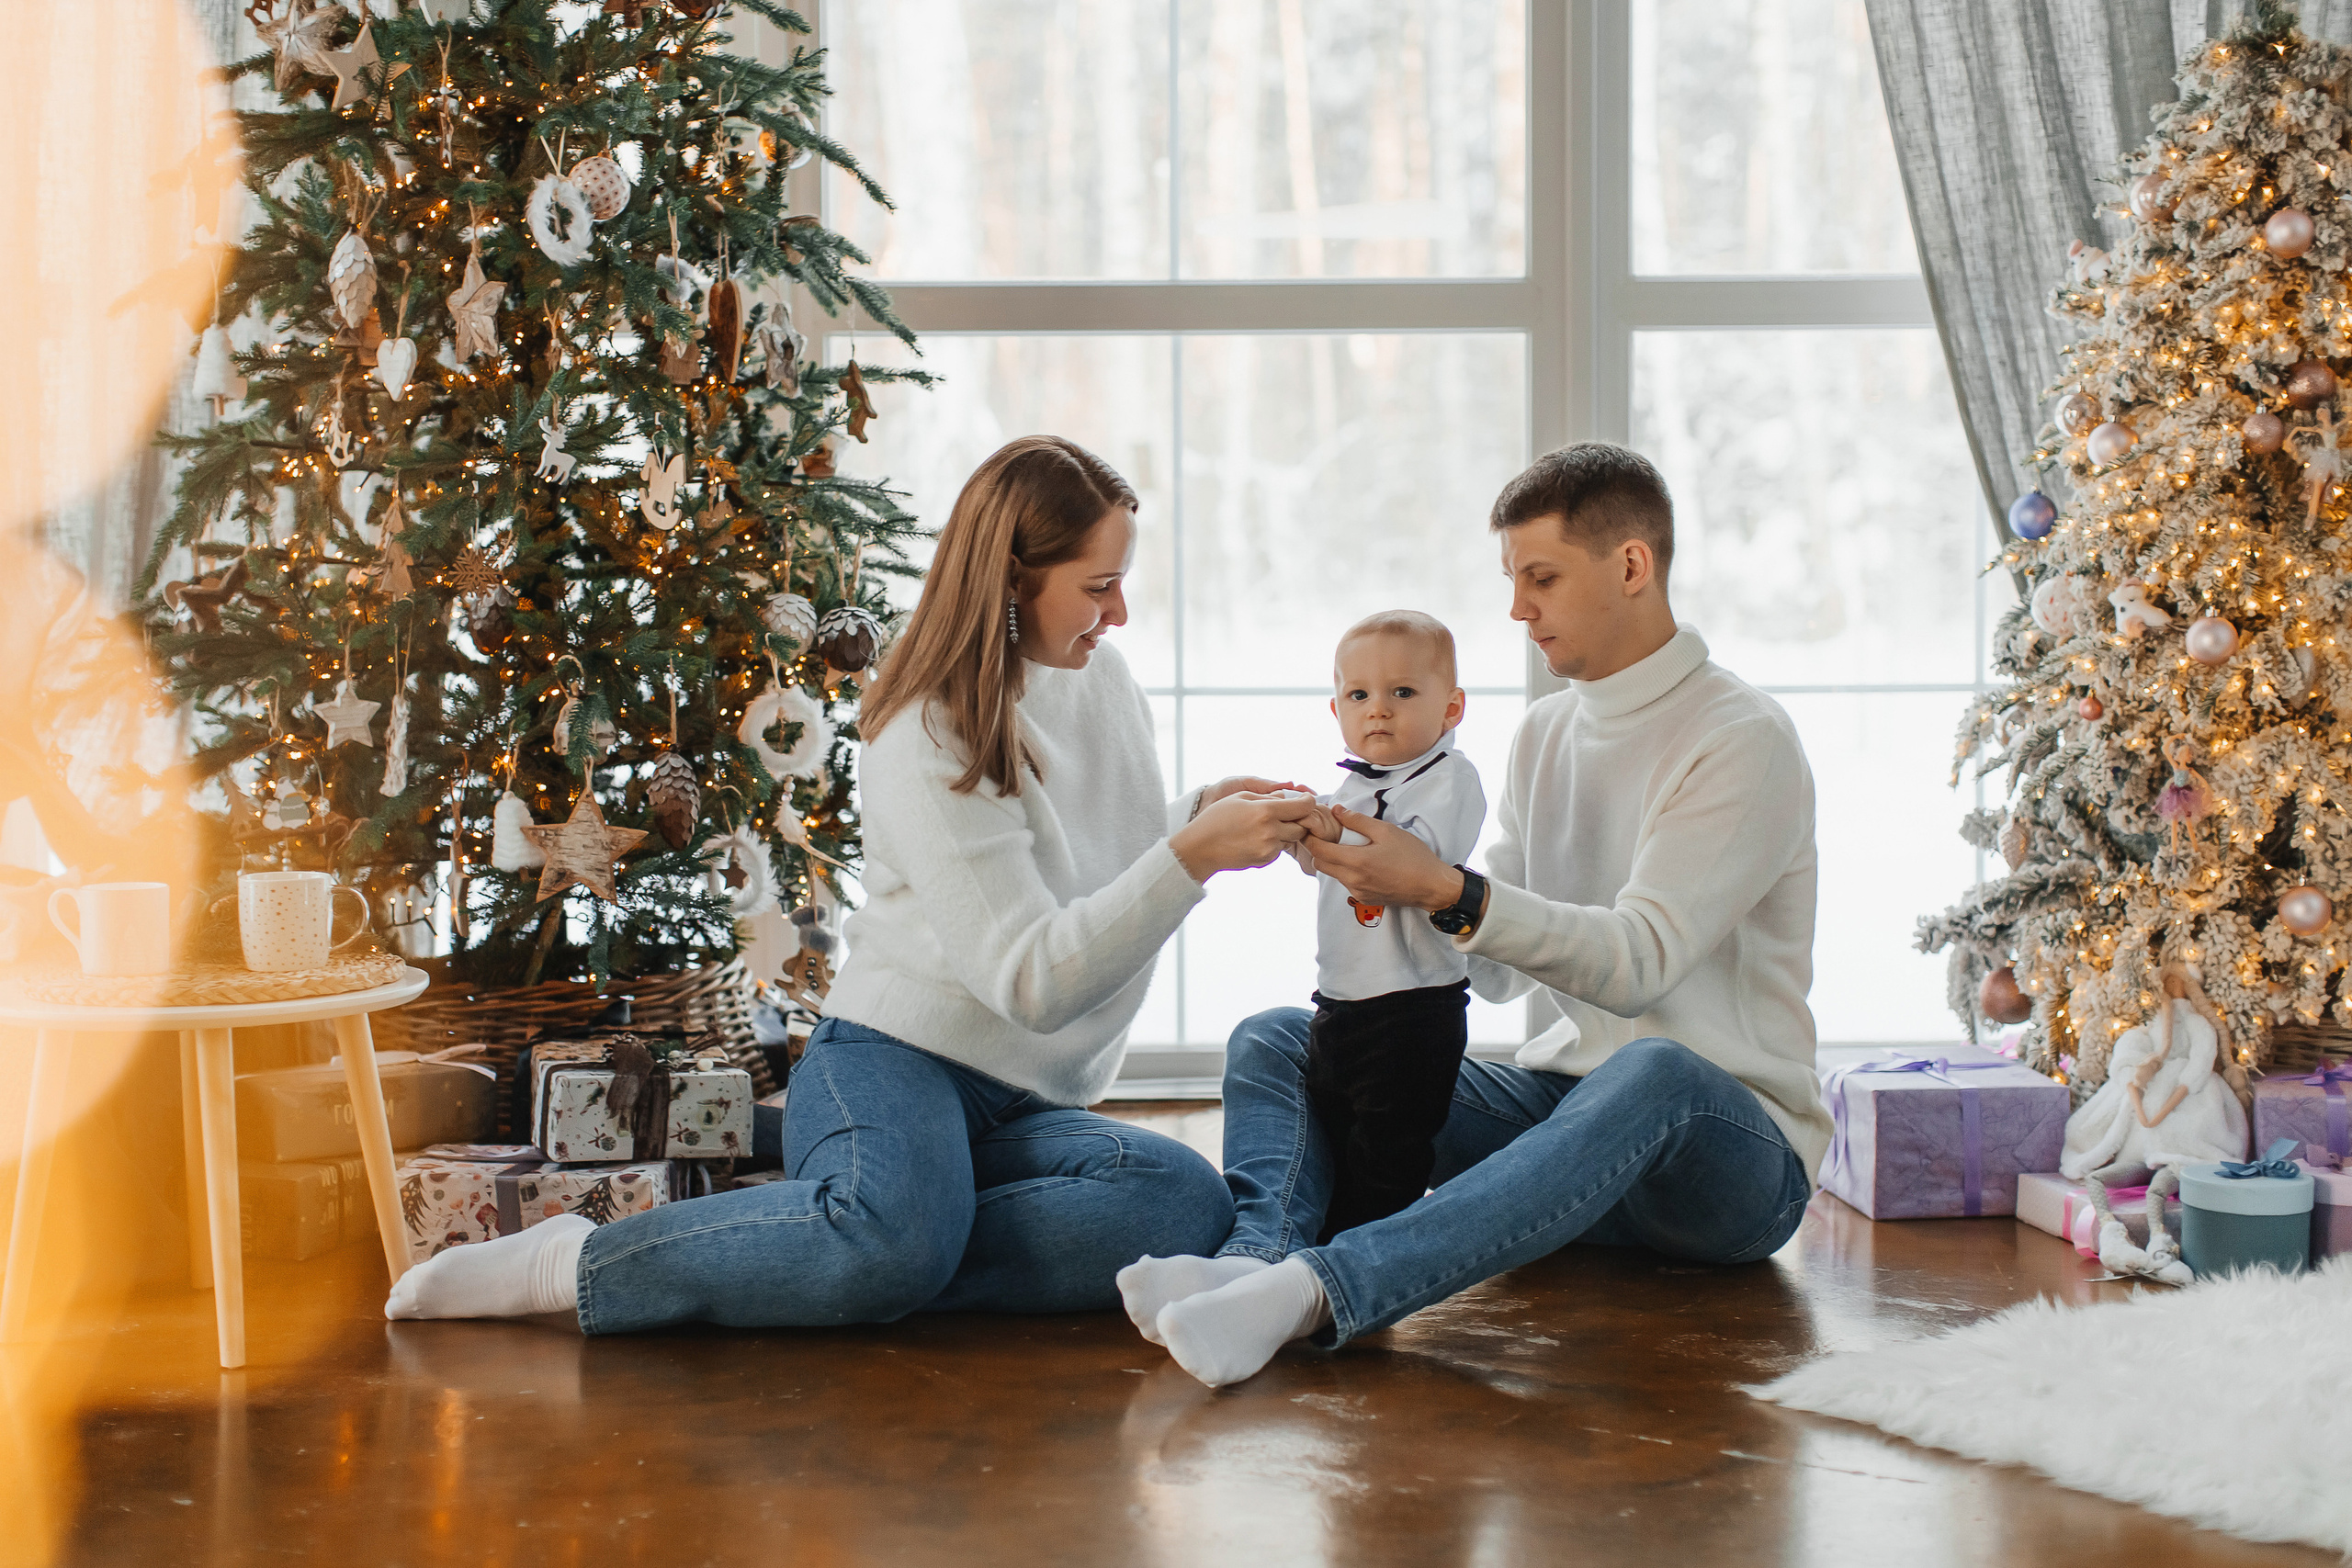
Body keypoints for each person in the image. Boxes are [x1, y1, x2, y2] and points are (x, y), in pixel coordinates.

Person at [386, 434, 1325, 1330]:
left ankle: (838, 1241)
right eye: (1099, 587)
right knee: (896, 1242)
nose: (1118, 613)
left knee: (1176, 1204)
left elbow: (1074, 864)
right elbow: (1032, 978)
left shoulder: (1099, 677)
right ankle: (581, 1261)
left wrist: (1189, 816)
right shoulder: (927, 728)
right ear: (1010, 581)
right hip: (896, 1059)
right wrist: (1194, 854)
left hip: (1026, 1096)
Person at [1117, 443, 1831, 1387]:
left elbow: (1639, 965)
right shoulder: (1544, 734)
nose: (1516, 609)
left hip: (1728, 1163)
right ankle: (1255, 1260)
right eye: (1510, 580)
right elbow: (1491, 970)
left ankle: (1319, 1290)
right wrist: (1363, 863)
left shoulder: (1739, 739)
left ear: (1630, 566)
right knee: (1283, 1039)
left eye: (1539, 578)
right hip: (1571, 1122)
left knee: (1658, 1068)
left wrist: (1445, 889)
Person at [1291, 610, 1485, 1241]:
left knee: (1390, 1145)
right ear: (1336, 708)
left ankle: (1361, 1262)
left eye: (1402, 692)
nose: (1379, 709)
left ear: (1451, 708)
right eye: (1359, 694)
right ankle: (1303, 1240)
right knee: (1332, 1122)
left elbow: (1408, 859)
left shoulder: (1449, 779)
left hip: (1412, 1006)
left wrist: (1328, 829)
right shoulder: (1344, 789)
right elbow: (1326, 863)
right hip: (1341, 998)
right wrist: (1292, 829)